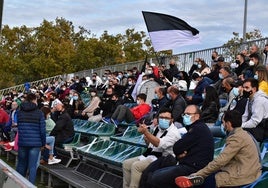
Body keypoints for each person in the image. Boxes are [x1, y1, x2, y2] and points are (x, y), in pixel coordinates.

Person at [175, 110, 262, 188]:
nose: (222, 125)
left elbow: (221, 160)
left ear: (228, 124)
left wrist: (199, 173)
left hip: (243, 174)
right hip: (248, 170)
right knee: (209, 175)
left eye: (223, 122)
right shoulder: (243, 134)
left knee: (208, 181)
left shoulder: (236, 138)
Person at [145, 105, 214, 188]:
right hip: (187, 164)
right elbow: (180, 149)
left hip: (193, 168)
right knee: (154, 173)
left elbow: (177, 147)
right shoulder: (196, 128)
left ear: (197, 116)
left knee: (154, 177)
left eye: (188, 114)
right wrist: (181, 154)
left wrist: (182, 153)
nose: (185, 116)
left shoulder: (198, 129)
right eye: (184, 114)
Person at [122, 108, 181, 188]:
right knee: (126, 164)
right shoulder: (158, 128)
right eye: (161, 117)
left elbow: (158, 143)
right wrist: (146, 138)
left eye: (166, 118)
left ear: (172, 119)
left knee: (136, 166)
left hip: (163, 159)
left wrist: (146, 132)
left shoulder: (174, 133)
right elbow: (150, 145)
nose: (163, 120)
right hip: (151, 154)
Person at [16, 93, 46, 184]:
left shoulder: (19, 112)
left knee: (21, 165)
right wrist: (43, 143)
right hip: (35, 143)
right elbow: (42, 130)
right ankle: (30, 185)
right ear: (34, 100)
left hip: (23, 142)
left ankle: (18, 184)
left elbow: (19, 127)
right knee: (32, 166)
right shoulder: (39, 113)